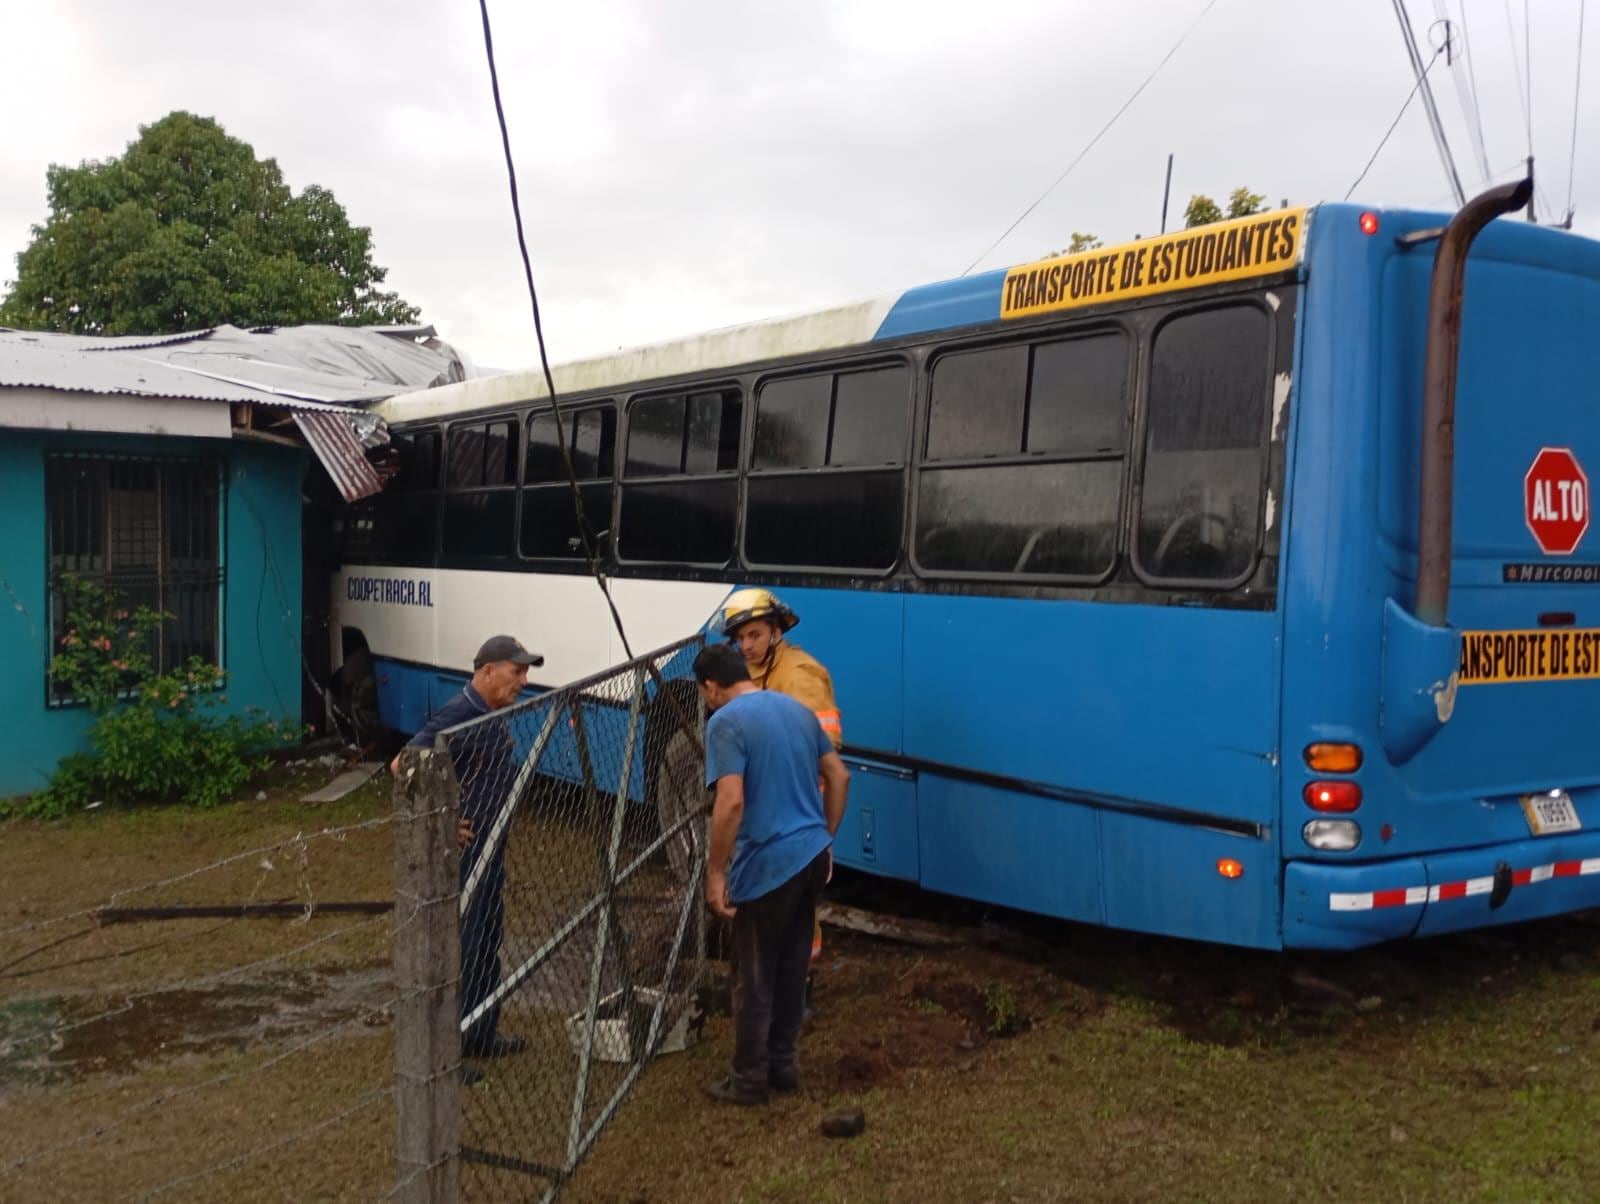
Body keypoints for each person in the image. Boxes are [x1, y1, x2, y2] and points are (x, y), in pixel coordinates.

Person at [695, 643, 849, 1106]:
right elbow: (839, 777)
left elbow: (731, 802)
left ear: (710, 687)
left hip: (768, 866)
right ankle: (783, 1066)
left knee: (754, 976)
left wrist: (715, 872)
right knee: (791, 966)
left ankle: (748, 1082)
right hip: (811, 859)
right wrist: (825, 835)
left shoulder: (725, 723)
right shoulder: (796, 711)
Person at [390, 634, 543, 1063]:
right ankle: (448, 1049)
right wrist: (441, 821)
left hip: (493, 849)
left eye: (526, 671)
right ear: (487, 671)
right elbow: (403, 764)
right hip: (466, 854)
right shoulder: (459, 714)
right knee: (464, 944)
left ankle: (480, 1033)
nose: (523, 680)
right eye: (517, 671)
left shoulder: (491, 713)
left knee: (487, 940)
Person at [720, 588, 841, 1011]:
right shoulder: (750, 675)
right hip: (762, 816)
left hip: (795, 816)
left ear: (775, 630)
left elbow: (822, 756)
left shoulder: (801, 675)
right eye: (740, 638)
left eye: (754, 634)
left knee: (795, 911)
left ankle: (797, 991)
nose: (746, 645)